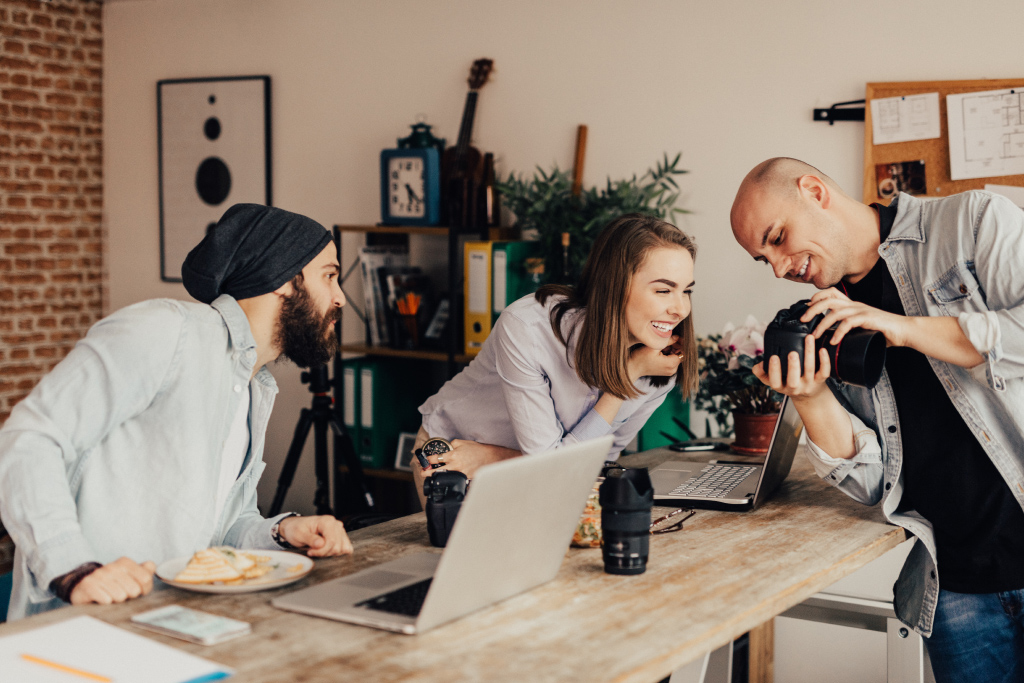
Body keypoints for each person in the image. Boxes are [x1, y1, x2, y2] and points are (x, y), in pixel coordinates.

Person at [730, 157, 1024, 682]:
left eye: (777, 238)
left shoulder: (975, 222)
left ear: (814, 191)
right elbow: (874, 485)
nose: (777, 268)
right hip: (954, 587)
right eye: (762, 258)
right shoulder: (826, 321)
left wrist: (901, 327)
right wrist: (812, 396)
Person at [0, 204, 354, 621]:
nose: (340, 297)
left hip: (170, 621)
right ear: (282, 279)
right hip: (81, 624)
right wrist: (73, 567)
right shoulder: (167, 330)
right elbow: (28, 440)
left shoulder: (255, 387)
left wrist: (280, 531)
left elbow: (219, 526)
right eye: (329, 276)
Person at [413, 213, 699, 502]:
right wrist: (624, 380)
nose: (680, 309)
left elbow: (594, 466)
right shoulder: (529, 329)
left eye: (686, 291)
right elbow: (561, 468)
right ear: (614, 286)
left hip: (523, 471)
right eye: (663, 290)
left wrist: (492, 457)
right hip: (457, 457)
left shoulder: (656, 364)